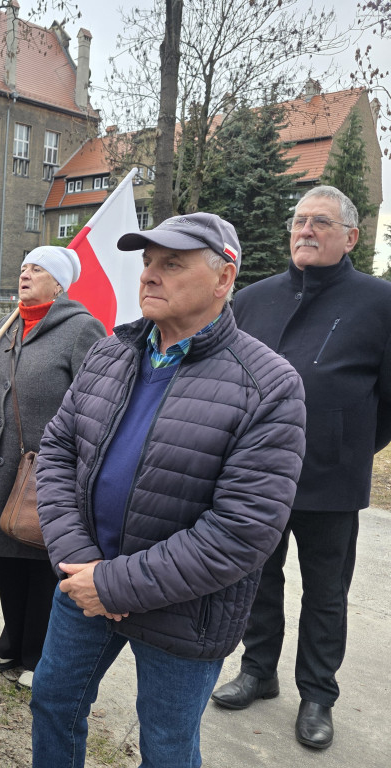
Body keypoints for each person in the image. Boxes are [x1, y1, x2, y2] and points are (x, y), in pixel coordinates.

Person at [31, 213, 308, 768]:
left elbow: (241, 532)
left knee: (166, 745)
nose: (150, 277)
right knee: (53, 703)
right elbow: (57, 450)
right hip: (84, 583)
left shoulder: (269, 386)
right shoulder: (111, 352)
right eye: (148, 263)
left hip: (185, 609)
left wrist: (116, 584)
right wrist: (78, 559)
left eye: (172, 265)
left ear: (224, 279)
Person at [211, 185, 391, 750]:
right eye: (298, 221)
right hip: (257, 473)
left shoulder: (379, 302)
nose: (305, 231)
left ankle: (318, 694)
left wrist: (349, 442)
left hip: (330, 477)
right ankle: (259, 670)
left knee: (326, 591)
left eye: (320, 222)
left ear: (351, 237)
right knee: (256, 576)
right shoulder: (255, 298)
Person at [0, 246, 104, 688]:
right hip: (2, 463)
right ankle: (11, 640)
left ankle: (38, 653)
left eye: (37, 269)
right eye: (23, 267)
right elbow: (1, 391)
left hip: (47, 470)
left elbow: (96, 400)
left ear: (58, 283)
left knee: (40, 559)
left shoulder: (80, 329)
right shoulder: (9, 325)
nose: (25, 274)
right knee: (7, 553)